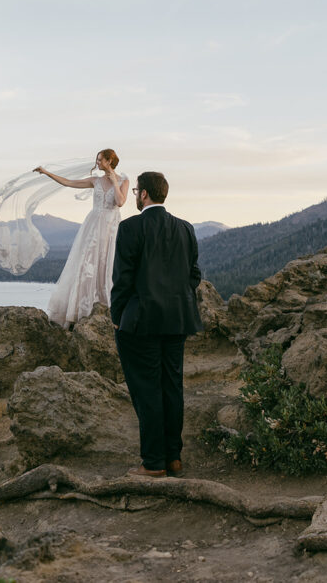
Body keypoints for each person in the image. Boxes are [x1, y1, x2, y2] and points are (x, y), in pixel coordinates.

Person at [110, 171, 203, 478]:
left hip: (140, 322)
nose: (135, 195)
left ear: (145, 194)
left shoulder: (130, 227)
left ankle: (153, 463)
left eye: (136, 190)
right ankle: (173, 458)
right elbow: (194, 276)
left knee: (147, 390)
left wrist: (117, 317)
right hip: (177, 320)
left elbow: (122, 279)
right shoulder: (185, 228)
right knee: (172, 388)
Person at [35, 149, 129, 327]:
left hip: (111, 227)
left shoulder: (124, 180)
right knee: (87, 264)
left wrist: (115, 181)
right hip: (93, 227)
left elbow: (120, 202)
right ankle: (81, 309)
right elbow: (69, 183)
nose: (97, 163)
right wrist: (47, 173)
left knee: (108, 264)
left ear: (110, 161)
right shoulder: (95, 181)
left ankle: (109, 307)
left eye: (100, 160)